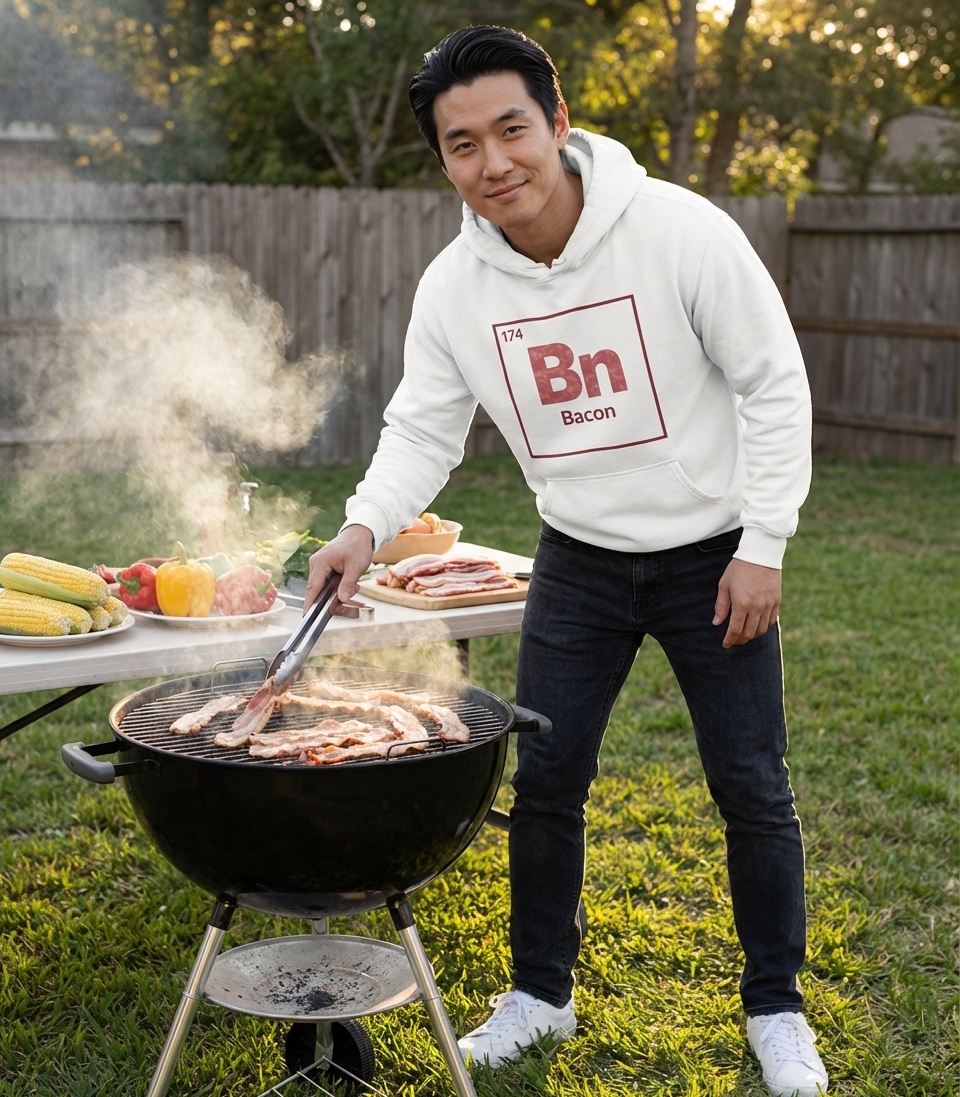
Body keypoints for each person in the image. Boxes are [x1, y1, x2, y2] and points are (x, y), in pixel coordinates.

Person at [304, 25, 828, 1097]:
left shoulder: (680, 230)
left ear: (558, 123)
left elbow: (773, 381)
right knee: (545, 782)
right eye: (462, 144)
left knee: (752, 784)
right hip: (578, 559)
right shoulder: (455, 287)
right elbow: (422, 427)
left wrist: (764, 545)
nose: (493, 162)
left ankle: (777, 1007)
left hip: (714, 555)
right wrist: (361, 527)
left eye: (511, 130)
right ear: (444, 161)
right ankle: (540, 991)